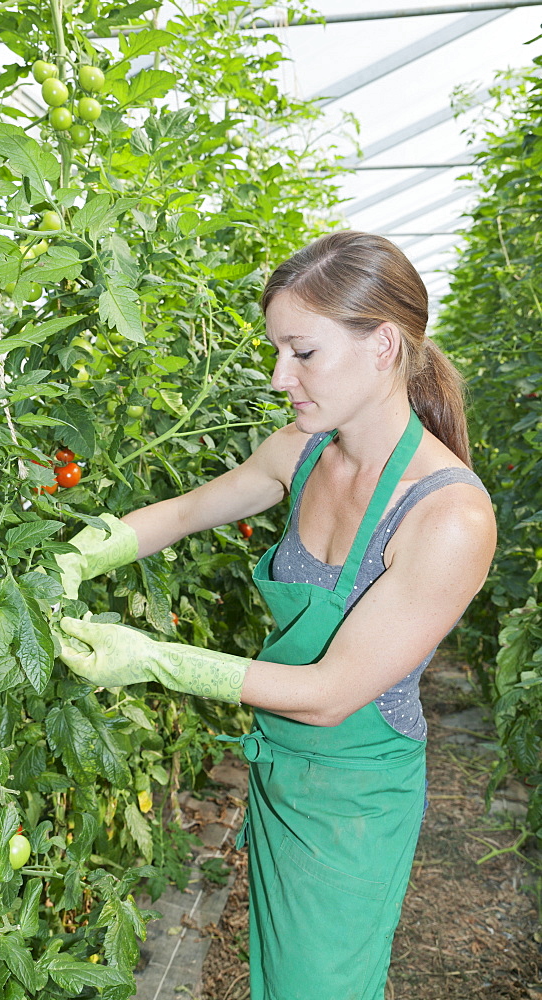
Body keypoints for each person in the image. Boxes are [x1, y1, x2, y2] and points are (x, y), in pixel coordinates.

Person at [56, 230, 497, 1000]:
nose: (277, 375)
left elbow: (330, 694)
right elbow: (191, 509)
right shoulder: (303, 449)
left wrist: (152, 658)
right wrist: (80, 555)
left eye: (302, 352)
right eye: (277, 351)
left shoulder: (448, 516)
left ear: (383, 344)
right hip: (279, 768)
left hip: (354, 798)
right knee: (282, 978)